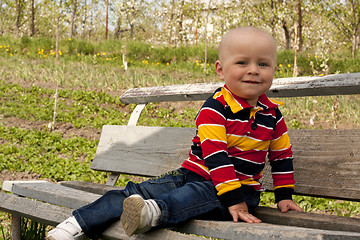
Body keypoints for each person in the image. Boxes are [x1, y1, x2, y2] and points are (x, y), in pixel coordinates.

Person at [46, 26, 303, 240]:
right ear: (220, 69)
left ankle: (151, 214)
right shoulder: (215, 109)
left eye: (263, 64)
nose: (253, 70)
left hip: (238, 192)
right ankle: (76, 224)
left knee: (193, 196)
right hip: (192, 175)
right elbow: (215, 156)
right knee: (136, 191)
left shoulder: (272, 114)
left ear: (273, 70)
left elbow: (281, 156)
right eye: (242, 62)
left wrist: (283, 196)